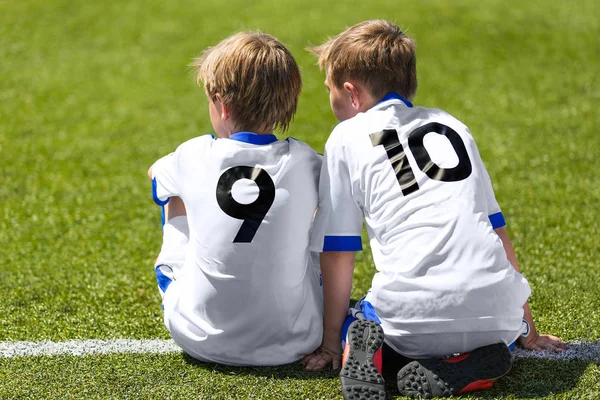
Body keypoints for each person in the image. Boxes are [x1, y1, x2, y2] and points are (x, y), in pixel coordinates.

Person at [301, 20, 566, 399]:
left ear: (351, 93)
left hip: (411, 314)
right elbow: (497, 232)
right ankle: (479, 361)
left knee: (358, 322)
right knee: (496, 340)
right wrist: (527, 326)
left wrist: (330, 343)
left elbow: (339, 251)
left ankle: (376, 356)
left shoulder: (346, 136)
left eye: (329, 90)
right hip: (496, 312)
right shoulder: (452, 125)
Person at [148, 32, 323, 366]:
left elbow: (156, 174)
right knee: (319, 216)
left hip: (200, 338)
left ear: (222, 105)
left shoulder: (193, 154)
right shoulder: (308, 161)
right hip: (298, 339)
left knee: (173, 195)